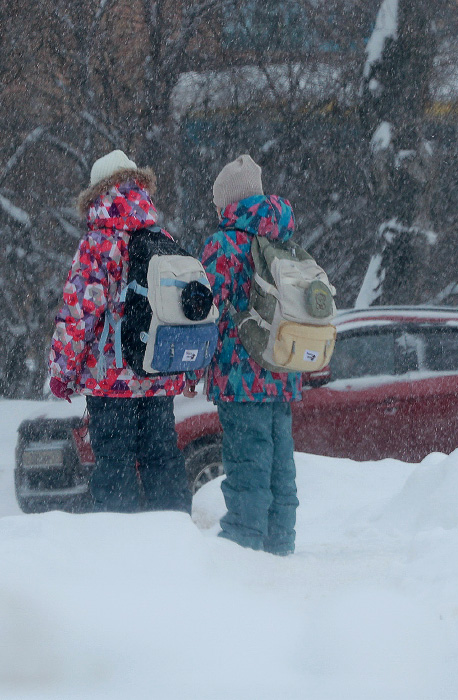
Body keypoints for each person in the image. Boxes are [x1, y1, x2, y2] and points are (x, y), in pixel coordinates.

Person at [48, 150, 192, 514]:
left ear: (98, 193)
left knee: (115, 462)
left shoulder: (98, 244)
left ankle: (120, 548)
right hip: (158, 369)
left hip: (110, 379)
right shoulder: (164, 237)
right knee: (162, 457)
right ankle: (176, 539)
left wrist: (61, 374)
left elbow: (78, 315)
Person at [185, 155, 301, 554]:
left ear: (227, 202)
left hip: (240, 374)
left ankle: (244, 544)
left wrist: (190, 369)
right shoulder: (281, 238)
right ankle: (280, 541)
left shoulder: (224, 244)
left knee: (248, 463)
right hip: (281, 365)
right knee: (280, 465)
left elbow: (205, 313)